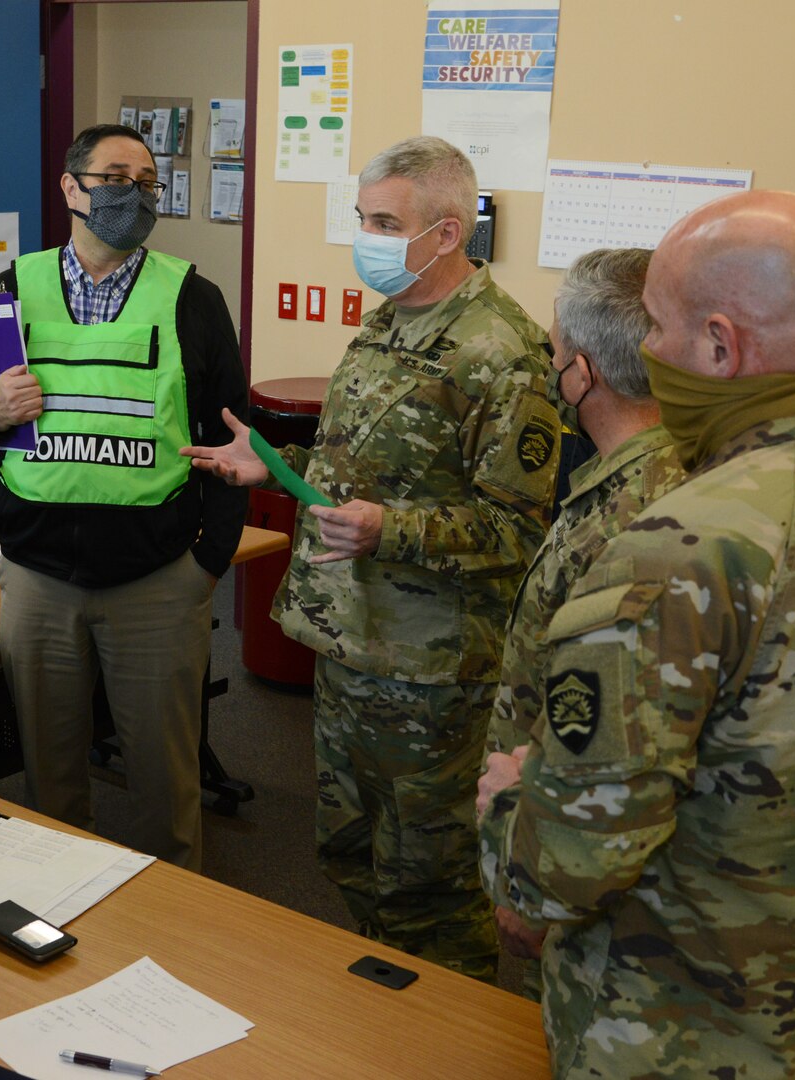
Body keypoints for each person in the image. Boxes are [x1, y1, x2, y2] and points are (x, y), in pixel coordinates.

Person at [477, 191, 795, 1077]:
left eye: (660, 330)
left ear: (718, 343)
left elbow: (569, 859)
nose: (650, 354)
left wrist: (507, 806)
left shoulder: (682, 545)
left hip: (677, 1030)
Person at [182, 136, 559, 981]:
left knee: (427, 883)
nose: (367, 237)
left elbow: (517, 529)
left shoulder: (502, 353)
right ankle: (384, 1022)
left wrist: (392, 529)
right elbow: (360, 470)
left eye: (385, 222)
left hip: (433, 669)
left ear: (447, 231)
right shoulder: (392, 318)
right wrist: (270, 469)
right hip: (350, 639)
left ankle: (441, 1039)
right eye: (363, 219)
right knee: (347, 852)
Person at [0, 123, 248, 871]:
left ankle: (167, 936)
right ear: (72, 189)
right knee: (50, 776)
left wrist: (208, 560)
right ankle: (62, 922)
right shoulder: (10, 293)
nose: (134, 193)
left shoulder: (192, 298)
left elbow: (234, 440)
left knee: (163, 783)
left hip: (158, 579)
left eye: (147, 181)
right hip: (39, 578)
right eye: (115, 176)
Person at [481, 247, 684, 995]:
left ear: (582, 373)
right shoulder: (661, 476)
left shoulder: (628, 519)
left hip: (578, 863)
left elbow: (597, 729)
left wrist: (533, 877)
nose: (550, 365)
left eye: (555, 349)